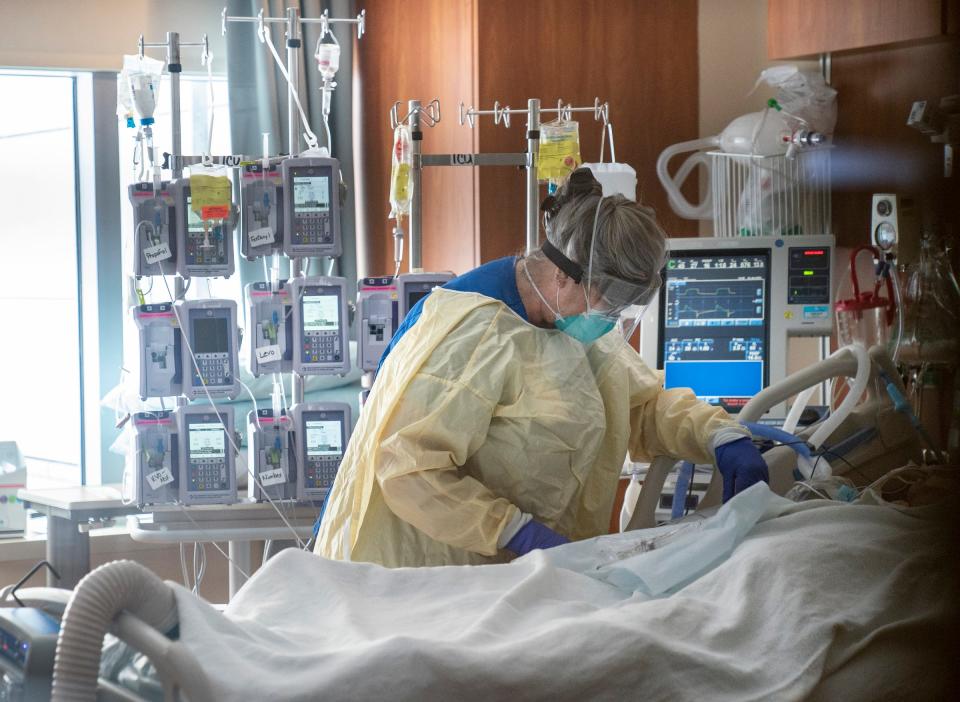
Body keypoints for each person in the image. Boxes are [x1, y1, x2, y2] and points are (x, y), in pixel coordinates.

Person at [315, 168, 768, 567]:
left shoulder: (576, 325)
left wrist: (719, 436)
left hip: (522, 583)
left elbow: (640, 408)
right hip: (422, 581)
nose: (612, 317)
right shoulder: (475, 333)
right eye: (608, 301)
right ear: (563, 275)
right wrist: (511, 530)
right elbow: (408, 466)